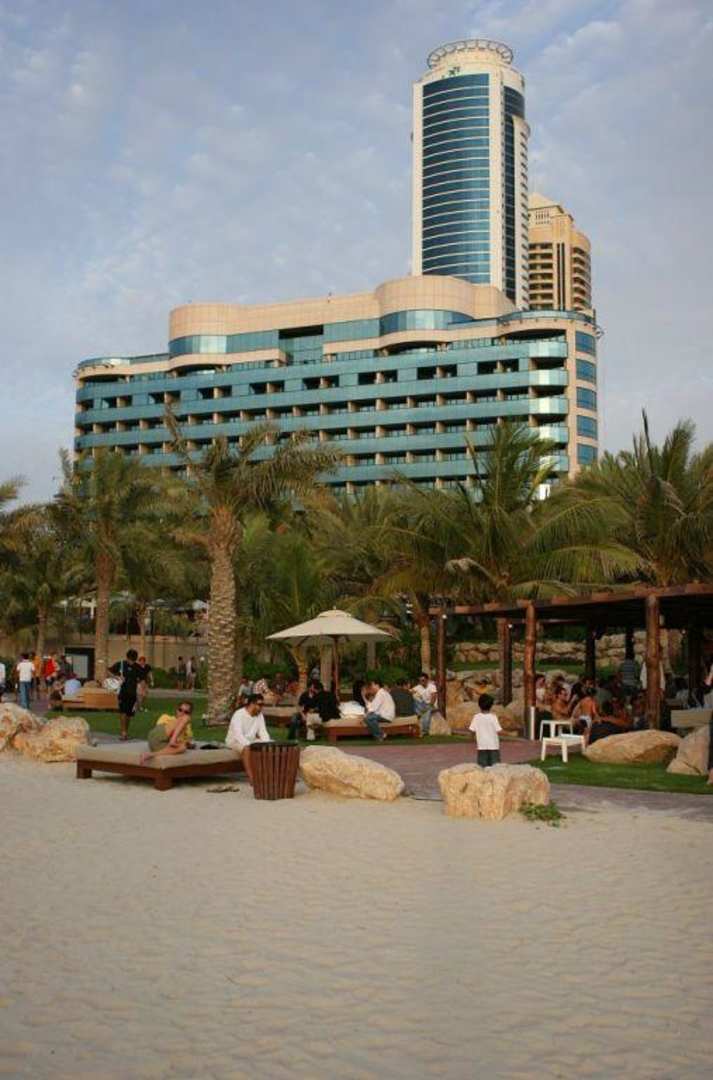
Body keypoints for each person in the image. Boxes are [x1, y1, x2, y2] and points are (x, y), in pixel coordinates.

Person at [225, 693, 272, 783]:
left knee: (272, 745)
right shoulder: (239, 714)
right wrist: (250, 745)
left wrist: (267, 743)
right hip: (235, 741)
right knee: (247, 748)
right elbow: (238, 734)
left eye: (263, 705)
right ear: (251, 704)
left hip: (251, 740)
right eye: (260, 704)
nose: (261, 707)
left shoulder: (260, 715)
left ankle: (268, 775)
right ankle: (252, 778)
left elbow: (263, 732)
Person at [109, 649, 142, 740]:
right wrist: (117, 677)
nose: (131, 662)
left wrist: (140, 694)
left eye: (133, 661)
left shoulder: (137, 667)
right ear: (127, 658)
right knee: (123, 712)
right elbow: (109, 671)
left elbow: (141, 680)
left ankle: (125, 732)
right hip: (123, 692)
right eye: (130, 660)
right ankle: (123, 732)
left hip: (132, 693)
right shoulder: (121, 664)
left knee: (129, 714)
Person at [469, 693, 502, 767]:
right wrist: (510, 733)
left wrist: (471, 738)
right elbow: (499, 730)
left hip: (481, 746)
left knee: (482, 767)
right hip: (493, 746)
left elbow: (472, 730)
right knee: (495, 767)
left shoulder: (476, 717)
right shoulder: (493, 717)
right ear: (491, 706)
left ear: (479, 705)